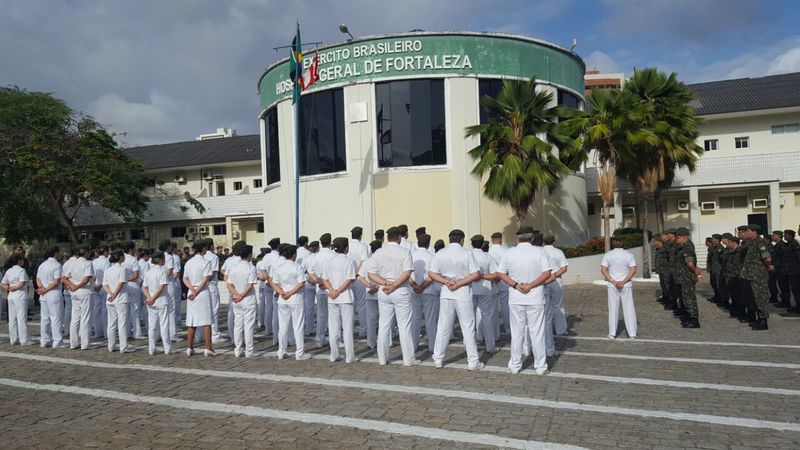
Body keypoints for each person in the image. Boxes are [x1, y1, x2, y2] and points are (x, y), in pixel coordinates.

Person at [496, 226, 552, 375]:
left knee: (517, 332)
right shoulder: (540, 252)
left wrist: (515, 285)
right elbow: (547, 273)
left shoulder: (510, 252)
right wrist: (531, 285)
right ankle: (540, 366)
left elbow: (501, 273)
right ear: (532, 238)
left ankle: (515, 364)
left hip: (516, 297)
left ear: (517, 238)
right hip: (535, 297)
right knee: (537, 332)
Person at [428, 229, 484, 371]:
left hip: (447, 292)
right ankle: (473, 361)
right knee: (468, 327)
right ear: (462, 240)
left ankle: (438, 358)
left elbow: (432, 273)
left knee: (443, 326)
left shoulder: (441, 253)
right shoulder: (467, 253)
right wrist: (459, 283)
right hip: (463, 292)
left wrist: (446, 282)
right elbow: (476, 274)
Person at [368, 226, 419, 366]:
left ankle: (382, 358)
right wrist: (395, 284)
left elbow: (371, 274)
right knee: (404, 326)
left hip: (384, 290)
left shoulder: (378, 252)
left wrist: (386, 283)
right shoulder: (405, 251)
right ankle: (408, 359)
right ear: (399, 238)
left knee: (384, 325)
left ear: (387, 237)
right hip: (400, 290)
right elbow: (407, 272)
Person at [269, 245, 310, 360]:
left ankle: (281, 351)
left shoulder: (279, 267)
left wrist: (282, 292)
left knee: (283, 326)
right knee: (298, 326)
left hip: (283, 299)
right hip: (295, 298)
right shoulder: (297, 267)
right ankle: (299, 353)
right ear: (294, 255)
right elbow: (301, 283)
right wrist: (290, 293)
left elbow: (274, 283)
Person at [322, 237, 357, 363]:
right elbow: (349, 279)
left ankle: (334, 354)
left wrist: (332, 290)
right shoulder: (349, 261)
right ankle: (349, 356)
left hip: (332, 297)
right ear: (346, 248)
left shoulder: (328, 261)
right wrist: (338, 291)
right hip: (345, 297)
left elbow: (324, 279)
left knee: (333, 327)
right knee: (347, 328)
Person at [600, 235, 638, 339]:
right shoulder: (629, 254)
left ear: (613, 243)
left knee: (613, 308)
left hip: (613, 285)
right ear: (623, 243)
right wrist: (624, 281)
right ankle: (632, 333)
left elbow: (603, 270)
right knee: (629, 308)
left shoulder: (608, 255)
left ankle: (612, 333)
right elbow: (633, 270)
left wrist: (613, 280)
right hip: (626, 284)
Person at [183, 240, 215, 356]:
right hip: (202, 292)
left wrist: (192, 289)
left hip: (191, 292)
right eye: (205, 248)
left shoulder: (189, 262)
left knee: (191, 320)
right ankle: (208, 348)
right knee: (206, 321)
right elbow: (206, 279)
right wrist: (196, 291)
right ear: (202, 249)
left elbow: (185, 278)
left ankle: (189, 347)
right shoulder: (206, 262)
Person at [226, 245, 258, 358]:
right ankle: (249, 350)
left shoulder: (234, 268)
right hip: (248, 299)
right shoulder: (251, 268)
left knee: (238, 325)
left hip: (237, 299)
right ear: (249, 255)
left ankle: (238, 349)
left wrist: (236, 294)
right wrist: (241, 295)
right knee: (248, 325)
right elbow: (250, 286)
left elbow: (228, 284)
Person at [470, 234, 498, 354]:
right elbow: (495, 275)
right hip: (485, 289)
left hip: (470, 289)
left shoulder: (468, 255)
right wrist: (482, 276)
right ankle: (490, 346)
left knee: (469, 318)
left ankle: (469, 345)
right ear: (482, 244)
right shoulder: (487, 256)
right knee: (487, 317)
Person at [410, 233, 438, 350]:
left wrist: (415, 285)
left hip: (413, 290)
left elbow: (406, 273)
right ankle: (432, 345)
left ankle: (413, 344)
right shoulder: (432, 256)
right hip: (429, 290)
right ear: (429, 243)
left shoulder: (411, 255)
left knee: (415, 318)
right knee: (431, 318)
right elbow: (432, 275)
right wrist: (422, 286)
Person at [740, 224, 771, 330]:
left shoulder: (760, 243)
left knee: (761, 298)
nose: (746, 232)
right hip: (750, 275)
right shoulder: (751, 243)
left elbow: (767, 258)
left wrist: (767, 268)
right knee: (754, 298)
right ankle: (759, 318)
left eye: (748, 231)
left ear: (754, 232)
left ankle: (763, 321)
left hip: (758, 276)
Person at [64, 244, 95, 350]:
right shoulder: (88, 263)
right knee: (85, 318)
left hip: (74, 293)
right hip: (85, 292)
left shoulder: (72, 263)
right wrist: (76, 286)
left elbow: (64, 278)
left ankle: (74, 343)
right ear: (86, 252)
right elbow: (86, 279)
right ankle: (85, 344)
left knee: (75, 318)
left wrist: (72, 286)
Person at [142, 252, 172, 356]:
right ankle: (167, 348)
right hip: (161, 300)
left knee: (152, 326)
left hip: (151, 302)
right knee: (163, 325)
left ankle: (152, 348)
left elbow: (144, 287)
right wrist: (153, 298)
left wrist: (150, 298)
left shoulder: (148, 272)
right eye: (163, 259)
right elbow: (161, 287)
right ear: (160, 260)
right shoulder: (162, 271)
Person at [309, 233, 335, 348]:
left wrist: (319, 281)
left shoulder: (316, 256)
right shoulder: (333, 255)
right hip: (331, 288)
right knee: (333, 316)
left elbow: (310, 272)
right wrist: (325, 283)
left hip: (320, 289)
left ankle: (319, 339)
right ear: (330, 242)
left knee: (321, 315)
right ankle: (334, 339)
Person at [36, 246, 64, 348]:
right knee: (55, 317)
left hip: (43, 294)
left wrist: (42, 288)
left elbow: (38, 278)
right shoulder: (57, 265)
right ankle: (57, 341)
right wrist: (46, 289)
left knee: (45, 318)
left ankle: (44, 340)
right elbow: (56, 281)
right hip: (53, 293)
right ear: (56, 253)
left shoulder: (42, 265)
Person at [103, 250, 130, 353]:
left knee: (111, 324)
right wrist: (114, 294)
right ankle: (123, 347)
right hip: (121, 298)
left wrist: (111, 293)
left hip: (110, 299)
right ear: (120, 257)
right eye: (123, 256)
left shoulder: (108, 270)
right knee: (122, 324)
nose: (124, 257)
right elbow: (121, 283)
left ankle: (111, 346)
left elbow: (104, 285)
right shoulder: (122, 269)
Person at [675, 228, 703, 328]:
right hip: (683, 278)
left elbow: (689, 263)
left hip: (687, 278)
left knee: (689, 299)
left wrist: (695, 270)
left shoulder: (687, 248)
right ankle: (689, 317)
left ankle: (694, 320)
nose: (676, 240)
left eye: (678, 238)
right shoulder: (683, 247)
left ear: (684, 237)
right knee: (685, 299)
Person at [348, 226, 371, 341]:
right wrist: (357, 273)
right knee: (362, 305)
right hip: (358, 278)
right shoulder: (363, 246)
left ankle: (349, 330)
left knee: (349, 305)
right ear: (360, 235)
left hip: (347, 279)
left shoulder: (347, 245)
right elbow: (364, 261)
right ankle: (363, 330)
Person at [358, 240, 382, 349]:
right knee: (384, 319)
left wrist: (369, 286)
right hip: (382, 292)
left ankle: (371, 342)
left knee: (371, 319)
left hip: (369, 293)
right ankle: (386, 341)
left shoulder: (367, 262)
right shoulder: (382, 261)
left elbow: (361, 277)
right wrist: (376, 286)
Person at [2, 254, 30, 345]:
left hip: (11, 296)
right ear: (19, 260)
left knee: (12, 318)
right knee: (21, 318)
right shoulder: (22, 270)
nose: (23, 261)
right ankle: (23, 339)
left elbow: (3, 283)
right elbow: (22, 284)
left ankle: (13, 339)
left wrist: (9, 288)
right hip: (20, 296)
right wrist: (15, 287)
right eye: (22, 259)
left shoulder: (9, 271)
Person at [202, 238, 225, 343]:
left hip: (200, 286)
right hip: (210, 285)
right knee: (214, 310)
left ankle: (201, 334)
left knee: (203, 310)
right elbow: (212, 273)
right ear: (211, 246)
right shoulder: (213, 257)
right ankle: (214, 334)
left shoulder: (200, 256)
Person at [488, 232, 510, 339]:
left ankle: (492, 329)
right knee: (505, 305)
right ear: (500, 240)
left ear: (492, 240)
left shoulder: (488, 251)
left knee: (492, 307)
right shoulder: (506, 251)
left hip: (492, 280)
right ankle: (508, 328)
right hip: (504, 280)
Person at [261, 237, 281, 341]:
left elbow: (263, 270)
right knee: (277, 310)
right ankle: (277, 332)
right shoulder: (278, 257)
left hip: (267, 284)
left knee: (268, 308)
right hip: (276, 285)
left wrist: (268, 281)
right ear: (278, 246)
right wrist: (272, 282)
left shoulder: (266, 257)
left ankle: (268, 329)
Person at [122, 242, 142, 339]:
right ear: (130, 249)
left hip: (122, 286)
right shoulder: (133, 259)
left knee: (125, 310)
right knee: (135, 310)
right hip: (133, 286)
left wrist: (123, 280)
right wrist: (126, 279)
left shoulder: (120, 259)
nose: (135, 250)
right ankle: (137, 333)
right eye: (134, 248)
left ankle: (126, 332)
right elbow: (135, 275)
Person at [300, 240, 319, 336]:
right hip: (320, 284)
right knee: (322, 308)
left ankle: (309, 329)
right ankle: (323, 328)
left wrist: (309, 278)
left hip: (309, 283)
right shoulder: (320, 257)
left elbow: (302, 270)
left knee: (309, 307)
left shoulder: (307, 258)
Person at [91, 246, 110, 339]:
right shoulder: (107, 261)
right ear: (105, 252)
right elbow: (107, 275)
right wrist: (101, 285)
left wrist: (95, 285)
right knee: (104, 310)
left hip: (95, 286)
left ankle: (98, 332)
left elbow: (92, 275)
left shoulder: (94, 261)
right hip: (103, 286)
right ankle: (106, 333)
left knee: (96, 309)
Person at [782, 230, 800, 313]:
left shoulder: (794, 244)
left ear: (790, 235)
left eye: (785, 235)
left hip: (795, 271)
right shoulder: (788, 244)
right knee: (794, 289)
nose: (784, 236)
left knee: (796, 289)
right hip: (790, 270)